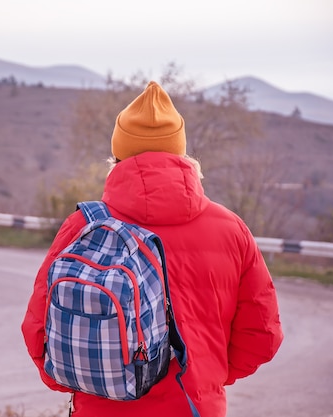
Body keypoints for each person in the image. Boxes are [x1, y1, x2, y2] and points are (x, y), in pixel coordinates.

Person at [21, 81, 283, 416]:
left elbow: (38, 328)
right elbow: (261, 334)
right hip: (196, 407)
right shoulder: (231, 230)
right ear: (181, 152)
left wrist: (85, 378)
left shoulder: (84, 227)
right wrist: (205, 373)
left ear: (117, 155)